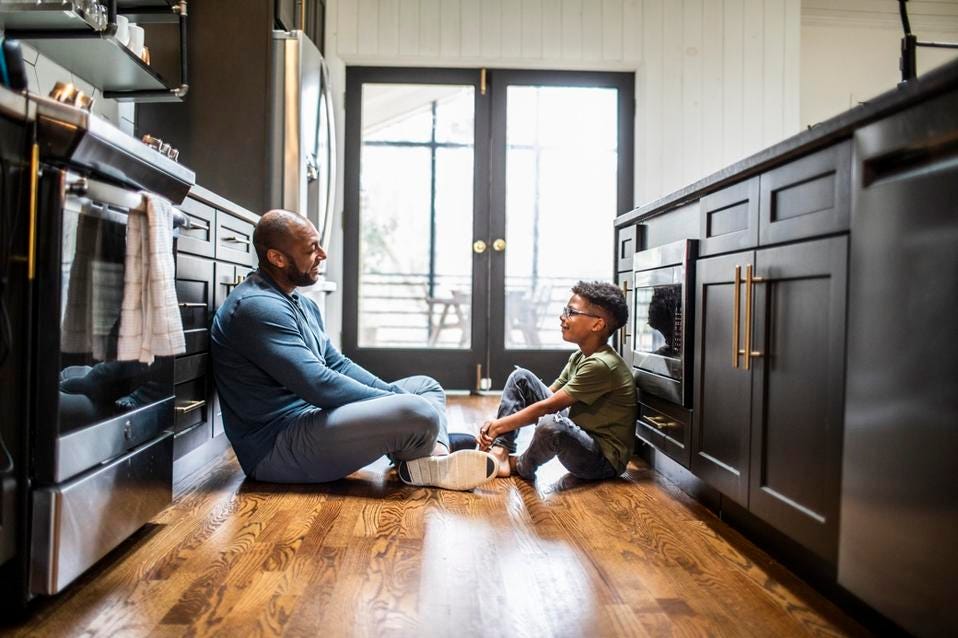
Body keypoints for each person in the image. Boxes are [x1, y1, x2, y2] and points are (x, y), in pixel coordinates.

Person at [210, 210, 496, 491]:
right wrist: (395, 401)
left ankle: (432, 456)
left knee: (425, 387)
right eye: (311, 249)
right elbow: (319, 385)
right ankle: (427, 445)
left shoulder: (302, 303)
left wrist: (393, 397)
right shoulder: (256, 306)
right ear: (277, 258)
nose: (322, 254)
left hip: (313, 419)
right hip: (277, 448)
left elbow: (338, 365)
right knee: (418, 410)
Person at [478, 281, 637, 482]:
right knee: (521, 379)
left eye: (571, 312)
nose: (562, 317)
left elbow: (548, 407)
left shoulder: (602, 365)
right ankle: (500, 452)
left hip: (601, 461)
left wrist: (497, 425)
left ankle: (519, 464)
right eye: (565, 310)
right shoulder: (580, 356)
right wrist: (499, 428)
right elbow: (545, 396)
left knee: (551, 424)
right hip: (580, 434)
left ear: (597, 324)